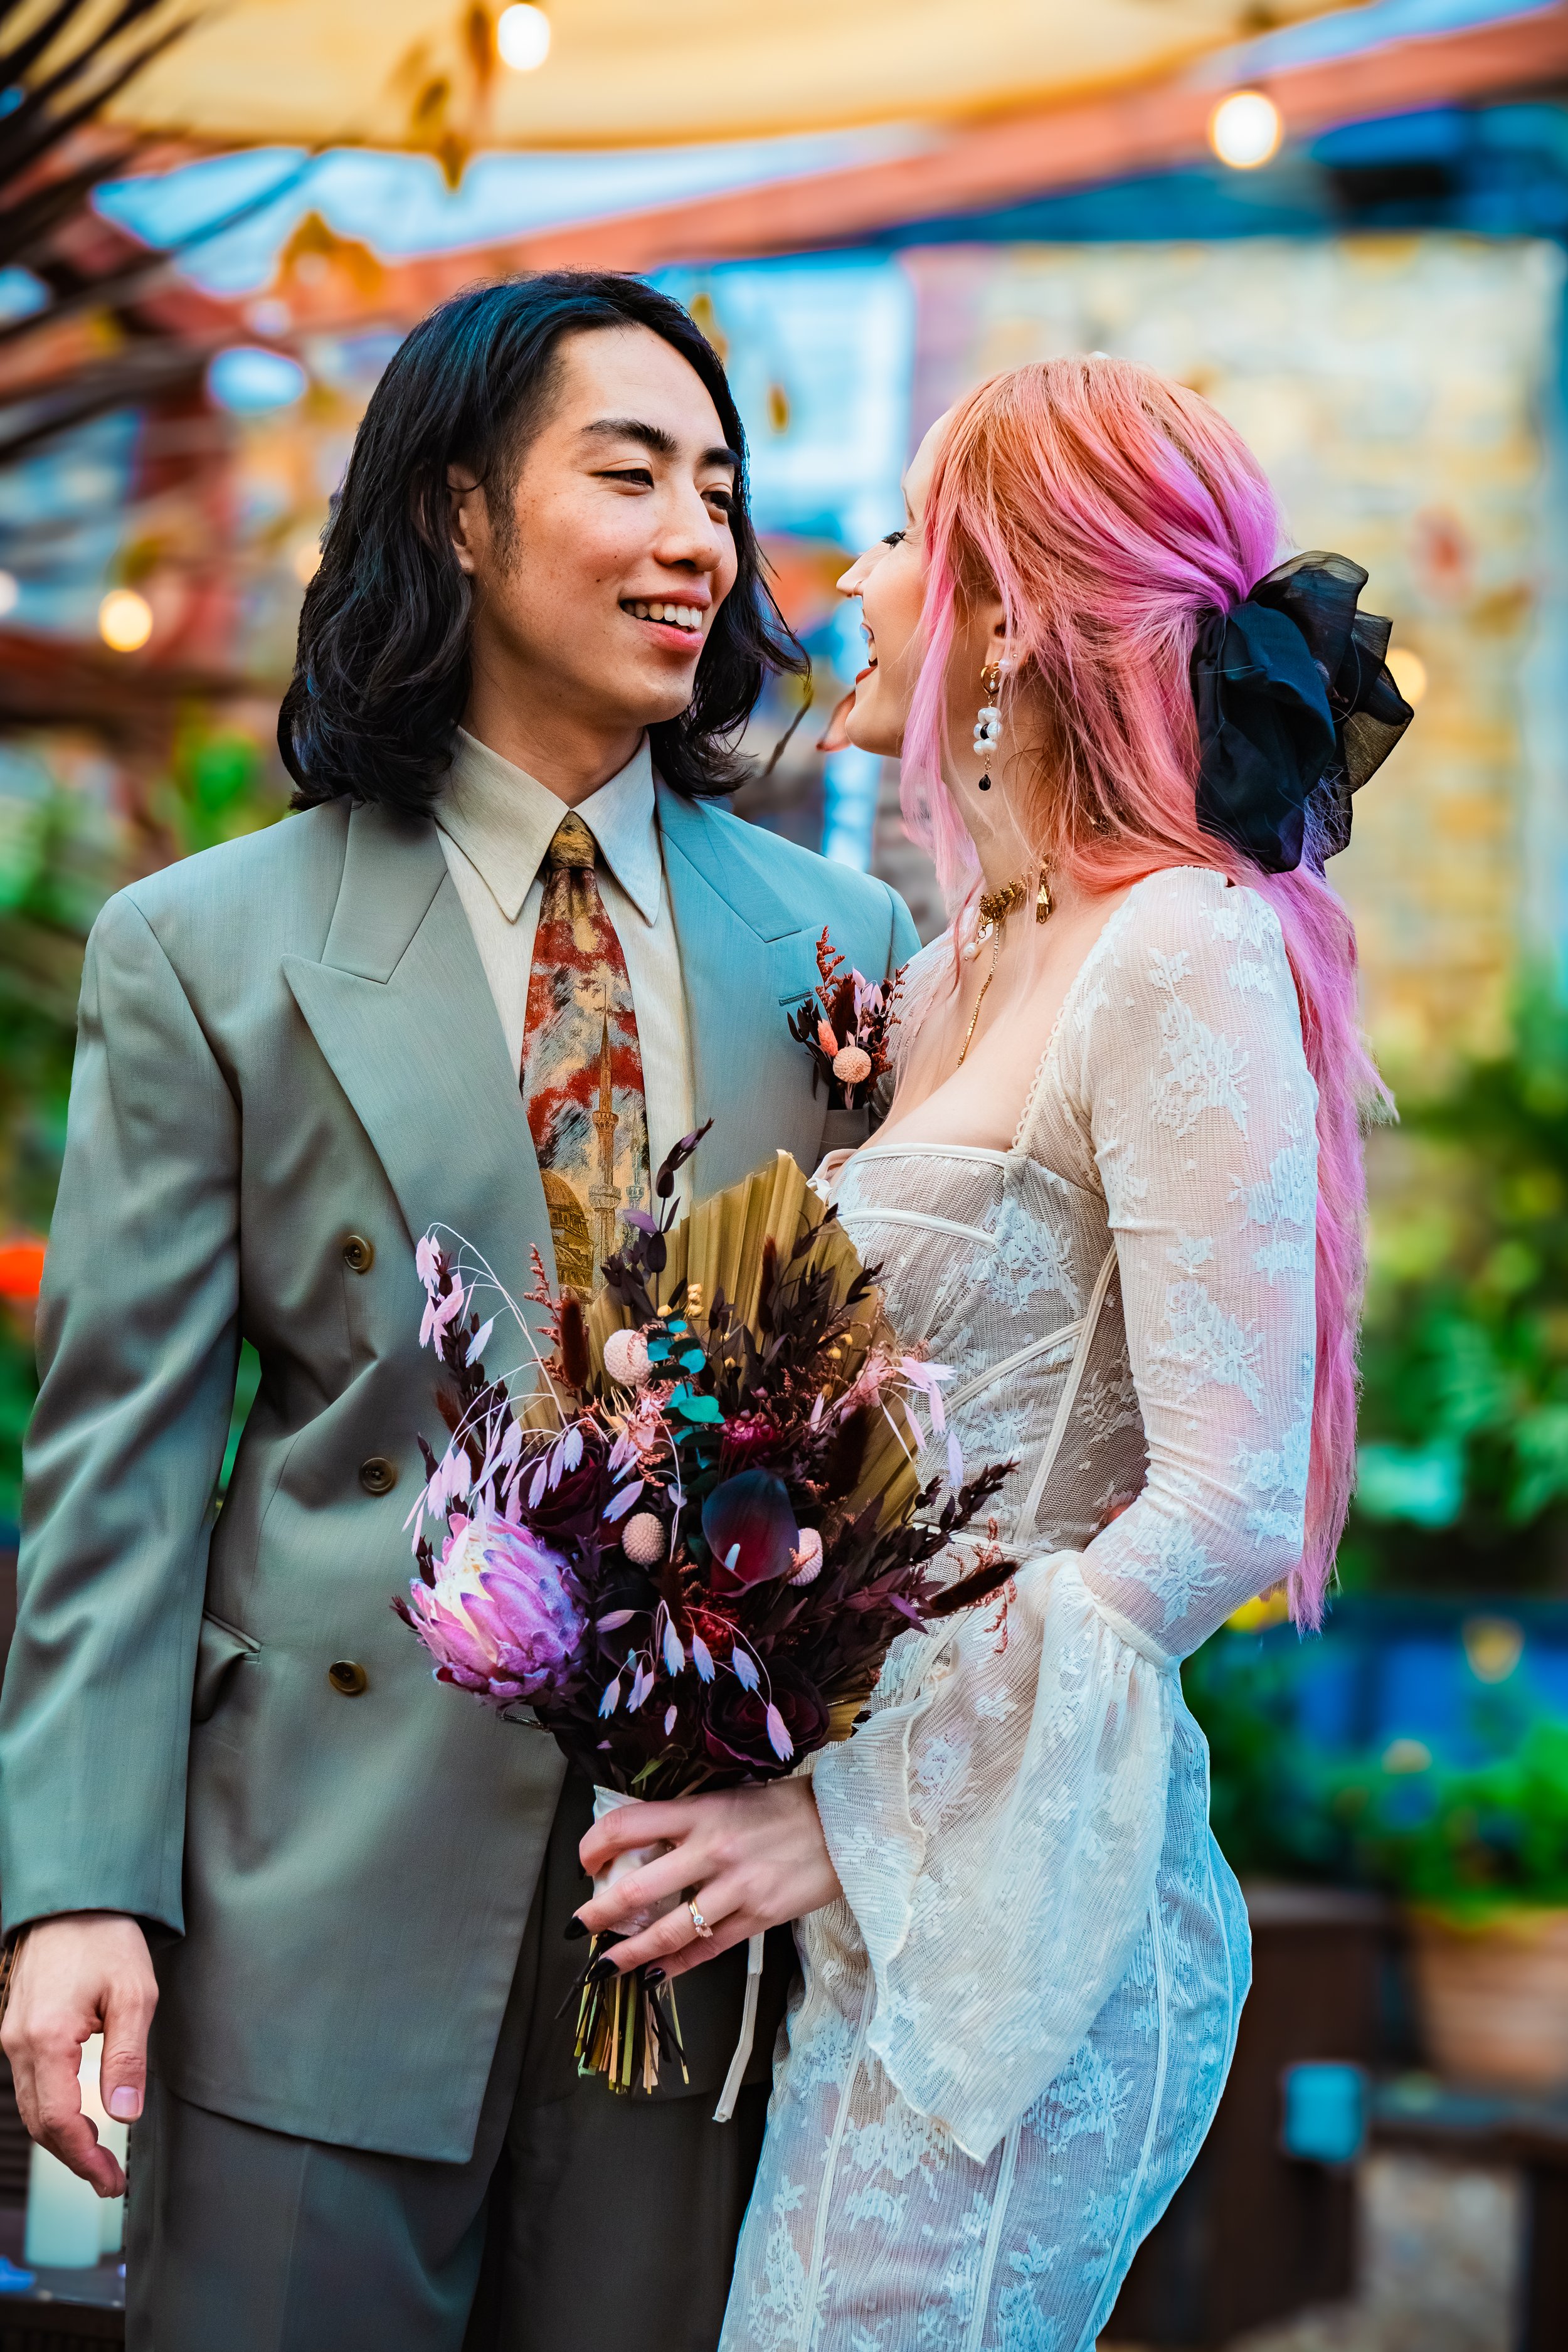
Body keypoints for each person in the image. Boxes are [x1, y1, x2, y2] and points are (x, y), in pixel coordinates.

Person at [0, 272, 918, 2351]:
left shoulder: (847, 948)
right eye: (631, 474)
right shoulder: (203, 947)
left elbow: (906, 1441)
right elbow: (118, 1469)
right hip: (309, 1898)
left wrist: (824, 1805)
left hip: (683, 1926)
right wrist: (75, 1888)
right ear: (459, 514)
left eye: (720, 485)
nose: (697, 538)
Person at [576, 354, 1412, 2348]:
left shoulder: (1183, 946)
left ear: (1011, 612)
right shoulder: (954, 972)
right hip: (892, 1919)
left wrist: (845, 1809)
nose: (844, 577)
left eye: (890, 535)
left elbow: (1213, 1505)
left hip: (1022, 1922)